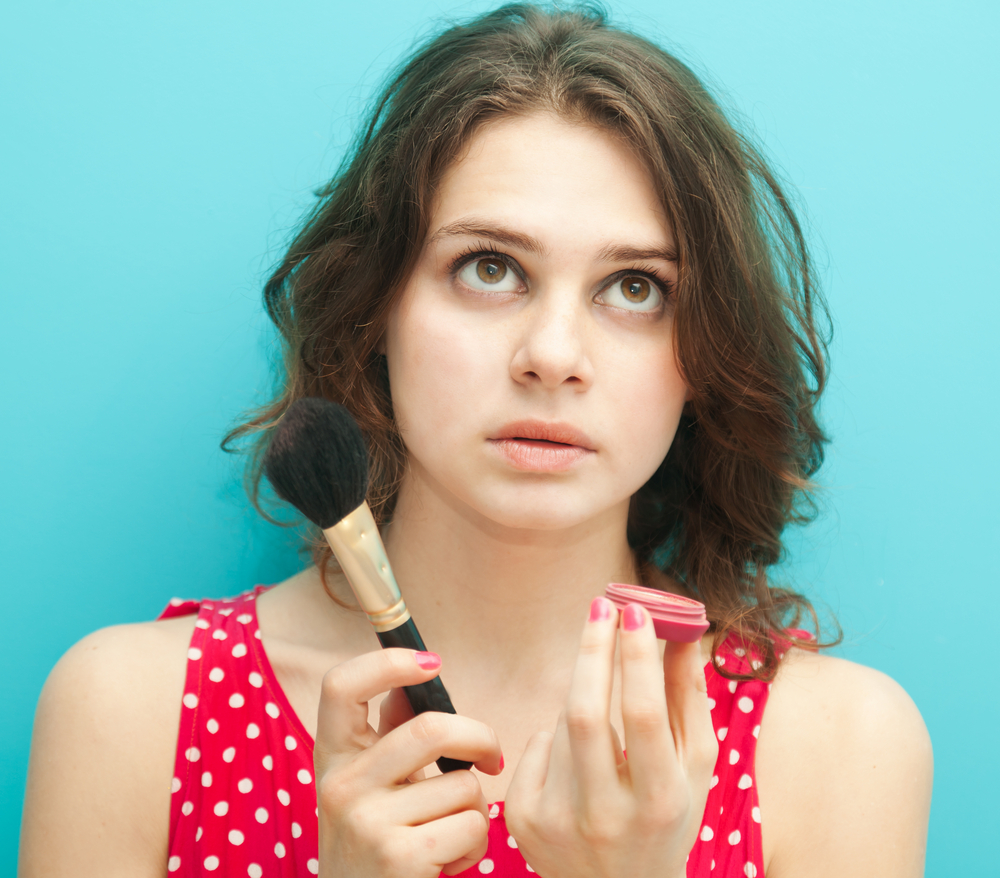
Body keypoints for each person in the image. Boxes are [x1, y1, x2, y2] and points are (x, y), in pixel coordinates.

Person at [18, 4, 933, 877]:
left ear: (705, 354)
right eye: (489, 268)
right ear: (376, 309)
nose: (553, 356)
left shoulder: (840, 750)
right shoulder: (130, 716)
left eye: (636, 288)